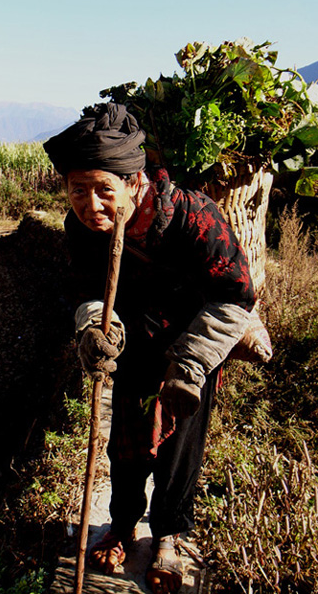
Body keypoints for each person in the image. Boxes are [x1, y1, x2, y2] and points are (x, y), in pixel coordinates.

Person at [43, 103, 255, 593]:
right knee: (126, 442)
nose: (90, 204)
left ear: (134, 183)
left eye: (103, 190)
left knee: (180, 442)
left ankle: (170, 535)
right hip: (133, 342)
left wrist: (190, 363)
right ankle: (121, 524)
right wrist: (95, 327)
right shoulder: (81, 228)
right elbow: (86, 287)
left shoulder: (193, 217)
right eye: (79, 190)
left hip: (193, 343)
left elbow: (236, 294)